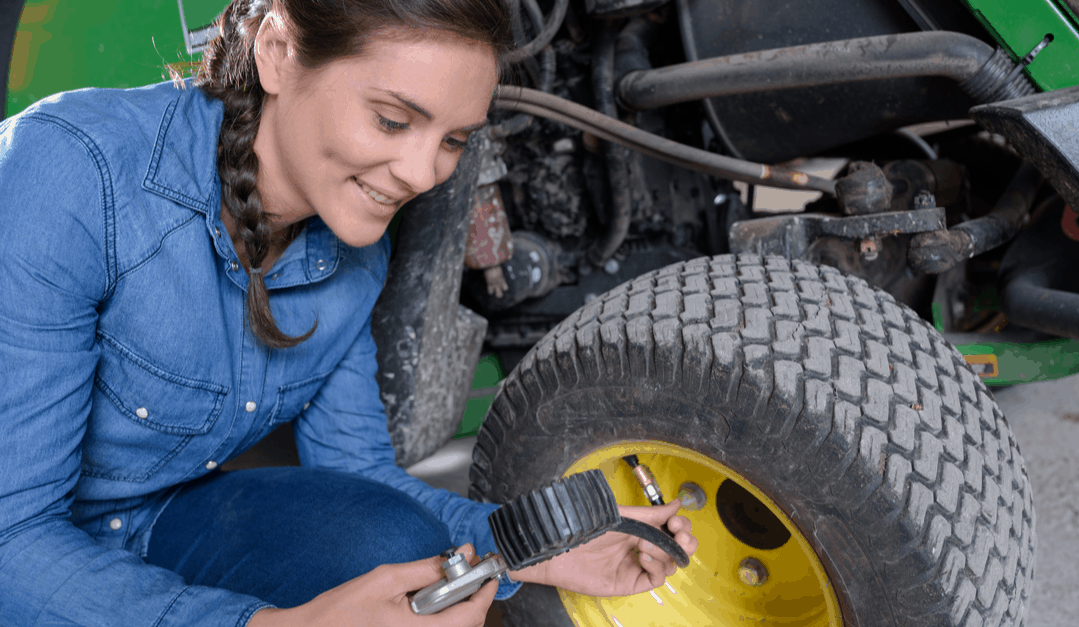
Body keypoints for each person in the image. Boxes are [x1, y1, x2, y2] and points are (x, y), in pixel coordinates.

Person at [0, 1, 698, 625]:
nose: (424, 173)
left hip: (151, 523)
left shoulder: (354, 255)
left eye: (454, 139)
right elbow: (11, 539)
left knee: (397, 552)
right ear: (277, 52)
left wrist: (531, 548)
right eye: (392, 119)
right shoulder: (70, 171)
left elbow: (360, 477)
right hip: (21, 535)